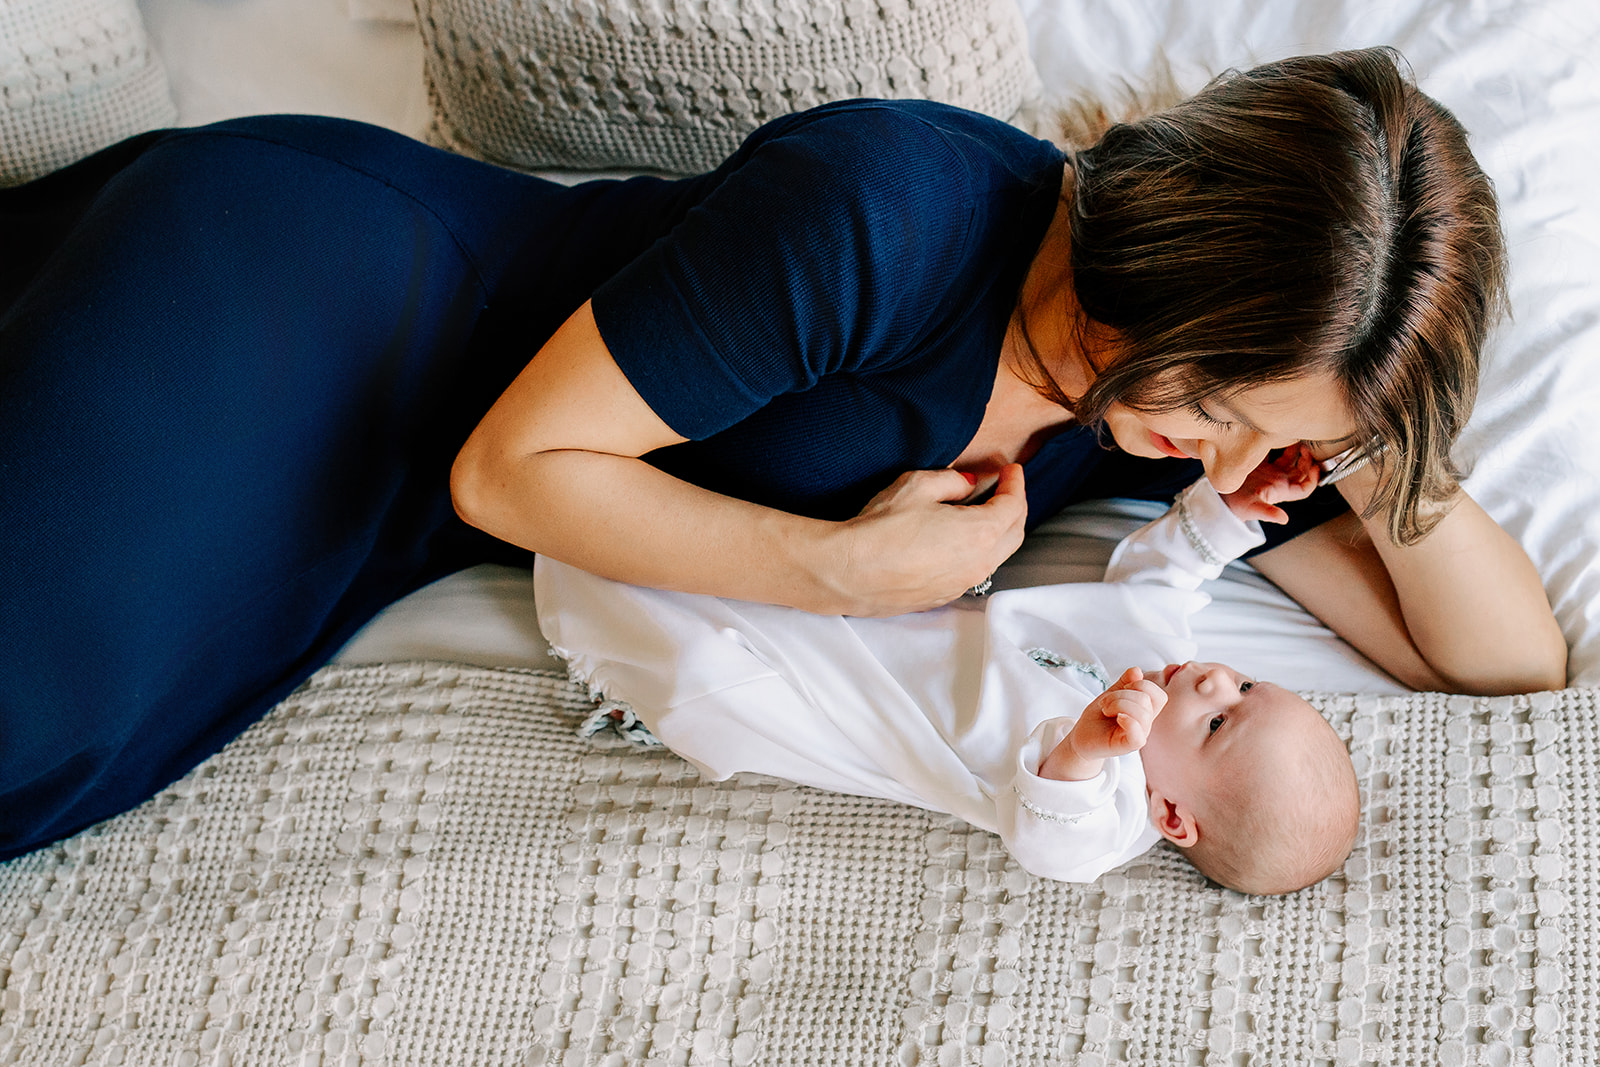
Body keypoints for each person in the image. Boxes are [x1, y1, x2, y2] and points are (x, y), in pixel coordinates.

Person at [0, 47, 1564, 860]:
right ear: (1172, 276)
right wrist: (843, 572)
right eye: (1237, 412)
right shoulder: (890, 209)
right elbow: (511, 469)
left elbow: (1500, 658)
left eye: (1275, 437)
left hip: (399, 493)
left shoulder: (1157, 413)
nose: (1234, 460)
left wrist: (1361, 444)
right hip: (317, 304)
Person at [537, 447, 1359, 894]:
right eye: (1247, 683)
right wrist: (1226, 514)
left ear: (1175, 817)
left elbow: (1049, 843)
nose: (1217, 681)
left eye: (1218, 722)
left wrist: (1082, 749)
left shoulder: (1113, 812)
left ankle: (572, 554)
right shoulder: (1157, 664)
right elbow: (1161, 578)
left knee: (692, 664)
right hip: (887, 621)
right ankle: (587, 496)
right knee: (730, 542)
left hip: (838, 701)